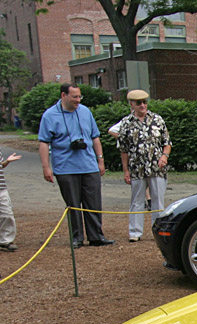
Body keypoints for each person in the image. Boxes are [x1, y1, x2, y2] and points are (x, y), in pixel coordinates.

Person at [38, 83, 112, 248]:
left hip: (89, 165)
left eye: (79, 97)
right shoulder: (50, 115)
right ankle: (77, 237)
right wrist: (46, 167)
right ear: (63, 96)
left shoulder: (85, 111)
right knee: (73, 205)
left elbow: (95, 137)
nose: (78, 100)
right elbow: (44, 142)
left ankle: (96, 236)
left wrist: (100, 160)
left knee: (93, 203)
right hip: (66, 168)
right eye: (74, 97)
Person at [116, 89, 171, 243]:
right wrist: (125, 170)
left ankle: (158, 230)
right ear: (131, 104)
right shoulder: (126, 123)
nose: (142, 105)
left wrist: (164, 156)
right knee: (137, 201)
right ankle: (135, 232)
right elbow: (123, 150)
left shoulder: (157, 119)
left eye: (145, 102)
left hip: (157, 168)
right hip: (136, 168)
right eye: (139, 103)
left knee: (158, 200)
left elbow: (167, 143)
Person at [0, 150, 22, 252]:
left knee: (7, 214)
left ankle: (6, 241)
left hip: (1, 187)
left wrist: (7, 161)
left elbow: (1, 166)